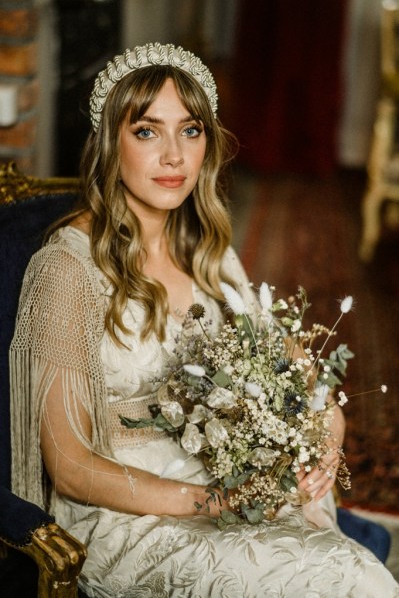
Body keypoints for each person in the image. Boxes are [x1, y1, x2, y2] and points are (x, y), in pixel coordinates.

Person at [10, 43, 399, 597]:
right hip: (131, 517)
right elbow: (70, 466)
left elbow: (295, 369)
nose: (174, 156)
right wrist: (212, 502)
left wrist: (324, 432)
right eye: (146, 131)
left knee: (347, 573)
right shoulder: (67, 270)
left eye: (190, 131)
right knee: (359, 581)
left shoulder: (207, 250)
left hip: (227, 480)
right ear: (108, 145)